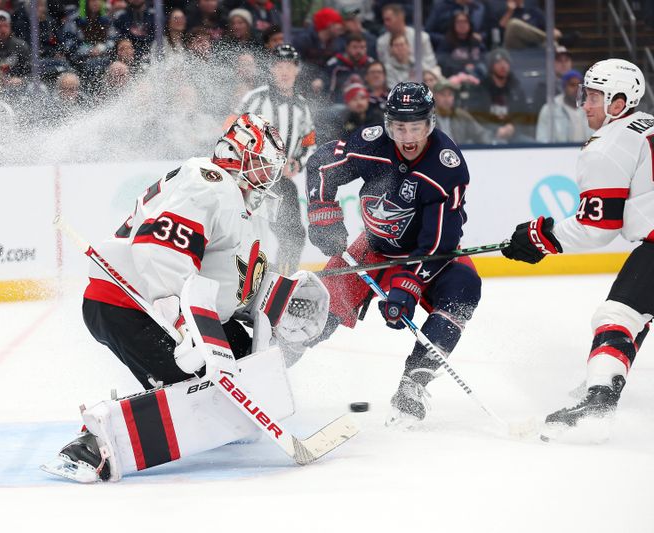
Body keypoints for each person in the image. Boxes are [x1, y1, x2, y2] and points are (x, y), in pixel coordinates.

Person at [42, 113, 331, 482]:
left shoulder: (236, 203)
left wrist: (276, 298)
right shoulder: (209, 184)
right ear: (235, 157)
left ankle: (201, 403)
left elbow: (227, 283)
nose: (268, 176)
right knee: (199, 388)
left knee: (250, 366)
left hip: (166, 309)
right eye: (261, 165)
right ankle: (92, 444)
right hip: (131, 306)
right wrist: (183, 324)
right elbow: (159, 252)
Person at [305, 82, 481, 425]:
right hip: (372, 250)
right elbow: (321, 165)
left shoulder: (446, 167)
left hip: (428, 258)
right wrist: (322, 213)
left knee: (465, 290)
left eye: (416, 126)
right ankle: (272, 361)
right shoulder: (371, 143)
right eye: (400, 127)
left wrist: (406, 286)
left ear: (430, 124)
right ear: (388, 124)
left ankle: (413, 384)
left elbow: (438, 246)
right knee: (315, 309)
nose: (408, 136)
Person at [501, 59, 652, 441]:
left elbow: (598, 228)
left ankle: (599, 400)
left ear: (619, 102)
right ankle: (606, 378)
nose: (584, 104)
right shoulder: (647, 123)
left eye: (594, 97)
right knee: (637, 312)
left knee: (617, 313)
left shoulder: (608, 146)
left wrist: (542, 238)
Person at [231, 44, 317, 274]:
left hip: (280, 183)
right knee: (247, 235)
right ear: (271, 68)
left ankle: (282, 281)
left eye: (289, 65)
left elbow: (309, 142)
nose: (284, 71)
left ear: (297, 69)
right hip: (249, 180)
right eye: (279, 65)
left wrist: (299, 161)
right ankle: (242, 280)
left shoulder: (301, 106)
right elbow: (232, 132)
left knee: (294, 236)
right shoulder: (255, 99)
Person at [535, 69, 592, 143]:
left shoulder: (591, 108)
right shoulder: (549, 109)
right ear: (564, 87)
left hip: (587, 152)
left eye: (579, 85)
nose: (576, 89)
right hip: (559, 153)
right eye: (572, 85)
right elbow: (542, 140)